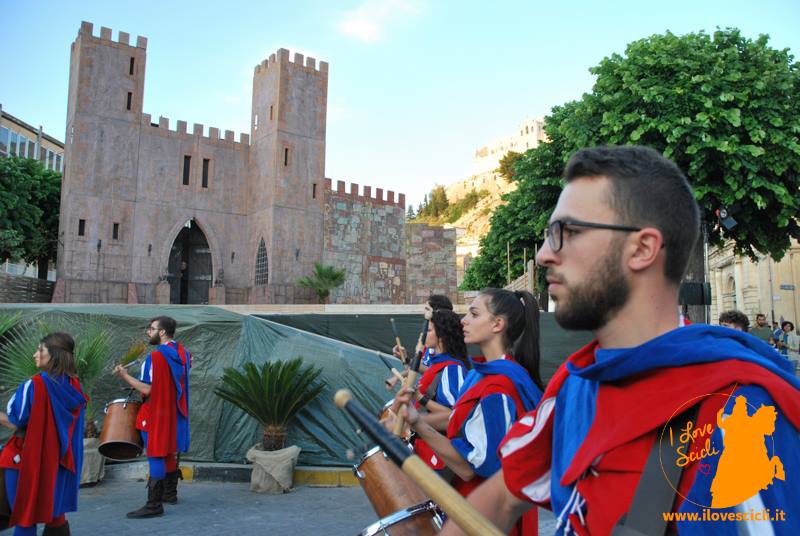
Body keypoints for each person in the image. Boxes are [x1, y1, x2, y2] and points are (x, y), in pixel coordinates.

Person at [441, 146, 800, 535]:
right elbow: (501, 496)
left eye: (568, 232)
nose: (544, 254)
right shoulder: (575, 384)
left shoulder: (740, 415)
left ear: (642, 248)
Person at [392, 288, 544, 536]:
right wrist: (416, 419)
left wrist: (419, 424)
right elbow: (456, 419)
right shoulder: (481, 374)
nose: (463, 320)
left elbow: (468, 467)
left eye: (474, 314)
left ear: (497, 324)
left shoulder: (499, 387)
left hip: (484, 518)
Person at [0, 333, 87, 536]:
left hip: (28, 459)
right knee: (55, 514)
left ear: (54, 355)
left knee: (25, 516)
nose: (34, 355)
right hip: (60, 461)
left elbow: (16, 421)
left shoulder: (36, 385)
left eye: (40, 350)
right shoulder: (75, 385)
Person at [113, 316, 191, 518]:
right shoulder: (183, 354)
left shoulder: (155, 357)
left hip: (155, 411)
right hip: (174, 411)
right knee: (167, 452)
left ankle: (154, 505)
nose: (148, 332)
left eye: (151, 329)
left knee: (156, 453)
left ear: (162, 332)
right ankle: (169, 494)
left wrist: (124, 375)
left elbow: (148, 388)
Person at [386, 309, 471, 470]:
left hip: (439, 456)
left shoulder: (453, 369)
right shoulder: (437, 363)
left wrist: (419, 397)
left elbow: (455, 415)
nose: (425, 334)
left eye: (429, 330)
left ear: (442, 336)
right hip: (426, 448)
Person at [386, 294, 454, 389]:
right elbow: (422, 366)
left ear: (436, 312)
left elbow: (435, 372)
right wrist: (405, 361)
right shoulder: (430, 342)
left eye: (427, 309)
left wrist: (418, 397)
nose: (423, 313)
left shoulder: (445, 344)